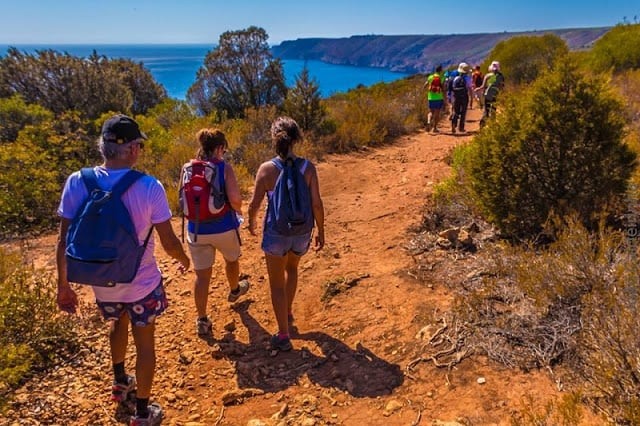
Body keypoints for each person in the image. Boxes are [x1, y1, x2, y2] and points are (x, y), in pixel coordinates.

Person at [56, 114, 190, 426]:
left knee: (117, 323)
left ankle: (120, 381)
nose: (140, 150)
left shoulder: (78, 181)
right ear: (131, 149)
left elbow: (63, 241)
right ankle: (143, 413)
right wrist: (184, 261)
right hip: (141, 283)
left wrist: (63, 287)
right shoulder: (148, 187)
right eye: (139, 145)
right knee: (145, 344)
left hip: (102, 282)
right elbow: (168, 241)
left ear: (103, 147)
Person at [247, 116, 325, 352]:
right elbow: (317, 204)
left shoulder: (266, 169)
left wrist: (251, 222)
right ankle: (288, 311)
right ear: (296, 139)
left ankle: (283, 334)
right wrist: (321, 230)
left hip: (276, 233)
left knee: (276, 284)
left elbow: (255, 203)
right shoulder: (308, 168)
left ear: (275, 139)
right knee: (292, 268)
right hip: (302, 231)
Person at [180, 128, 249, 337]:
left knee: (202, 277)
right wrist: (239, 211)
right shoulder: (223, 168)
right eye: (224, 149)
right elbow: (235, 199)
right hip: (224, 227)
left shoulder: (188, 168)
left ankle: (202, 320)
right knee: (231, 260)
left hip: (196, 229)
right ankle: (235, 289)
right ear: (219, 148)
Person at [475, 60, 505, 127]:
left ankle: (482, 125)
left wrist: (477, 89)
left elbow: (483, 86)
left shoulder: (488, 76)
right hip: (495, 95)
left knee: (486, 111)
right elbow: (501, 87)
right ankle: (493, 126)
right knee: (493, 110)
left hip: (487, 95)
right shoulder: (501, 76)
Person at [450, 62, 473, 134]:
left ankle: (454, 124)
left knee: (456, 111)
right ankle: (461, 127)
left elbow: (453, 89)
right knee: (463, 112)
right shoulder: (468, 79)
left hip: (456, 97)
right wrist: (471, 98)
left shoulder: (455, 78)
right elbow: (469, 89)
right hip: (464, 97)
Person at [424, 65, 446, 133]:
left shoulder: (430, 77)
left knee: (431, 112)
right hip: (439, 97)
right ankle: (434, 128)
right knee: (437, 113)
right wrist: (445, 97)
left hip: (430, 97)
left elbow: (425, 85)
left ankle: (428, 121)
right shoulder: (442, 77)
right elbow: (443, 88)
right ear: (440, 70)